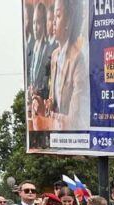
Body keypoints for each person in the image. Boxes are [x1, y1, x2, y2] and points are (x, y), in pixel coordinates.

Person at [35, 0, 88, 130]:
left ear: (68, 22)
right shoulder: (54, 56)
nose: (53, 21)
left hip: (76, 139)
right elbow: (53, 100)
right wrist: (45, 105)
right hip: (57, 136)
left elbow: (74, 120)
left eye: (58, 16)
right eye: (54, 16)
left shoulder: (78, 59)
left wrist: (52, 115)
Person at [27, 1, 54, 101]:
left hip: (44, 100)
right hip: (34, 99)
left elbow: (47, 76)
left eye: (38, 23)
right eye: (33, 23)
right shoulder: (33, 48)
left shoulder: (48, 48)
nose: (35, 27)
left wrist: (40, 90)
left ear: (44, 24)